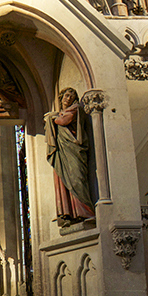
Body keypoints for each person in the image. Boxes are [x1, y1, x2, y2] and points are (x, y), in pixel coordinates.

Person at [44, 87, 95, 225]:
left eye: (71, 97)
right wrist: (54, 116)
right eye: (66, 96)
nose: (68, 99)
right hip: (61, 152)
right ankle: (68, 213)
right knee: (62, 179)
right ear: (61, 98)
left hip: (74, 149)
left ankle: (86, 212)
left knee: (77, 178)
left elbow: (64, 121)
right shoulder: (60, 113)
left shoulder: (75, 109)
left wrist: (53, 117)